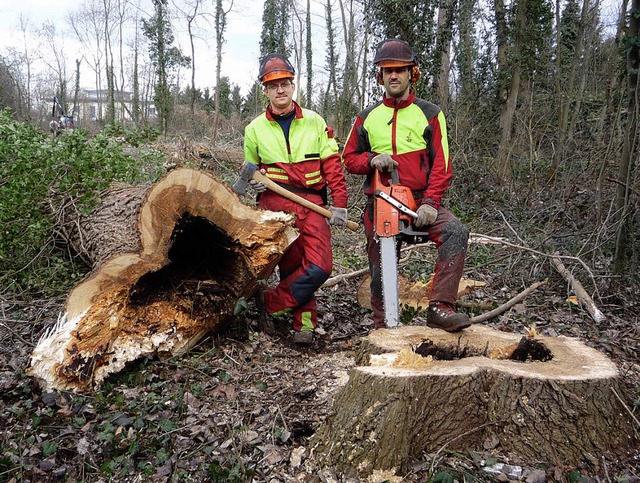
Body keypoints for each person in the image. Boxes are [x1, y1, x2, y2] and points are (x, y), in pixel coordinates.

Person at [342, 38, 470, 332]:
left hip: (420, 200)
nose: (394, 76)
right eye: (388, 71)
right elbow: (348, 159)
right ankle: (383, 325)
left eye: (400, 70)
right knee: (379, 265)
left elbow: (442, 165)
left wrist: (430, 202)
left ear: (413, 73)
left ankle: (441, 307)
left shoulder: (430, 114)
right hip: (381, 201)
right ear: (381, 76)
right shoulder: (367, 117)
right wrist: (372, 159)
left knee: (455, 231)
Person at [241, 53, 349, 345]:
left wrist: (339, 202)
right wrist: (254, 187)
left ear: (293, 86)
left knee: (319, 266)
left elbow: (332, 164)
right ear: (265, 90)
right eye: (273, 85)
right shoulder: (254, 129)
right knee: (291, 265)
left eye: (285, 83)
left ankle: (271, 302)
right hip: (275, 205)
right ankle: (303, 324)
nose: (280, 90)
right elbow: (249, 171)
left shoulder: (314, 121)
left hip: (312, 202)